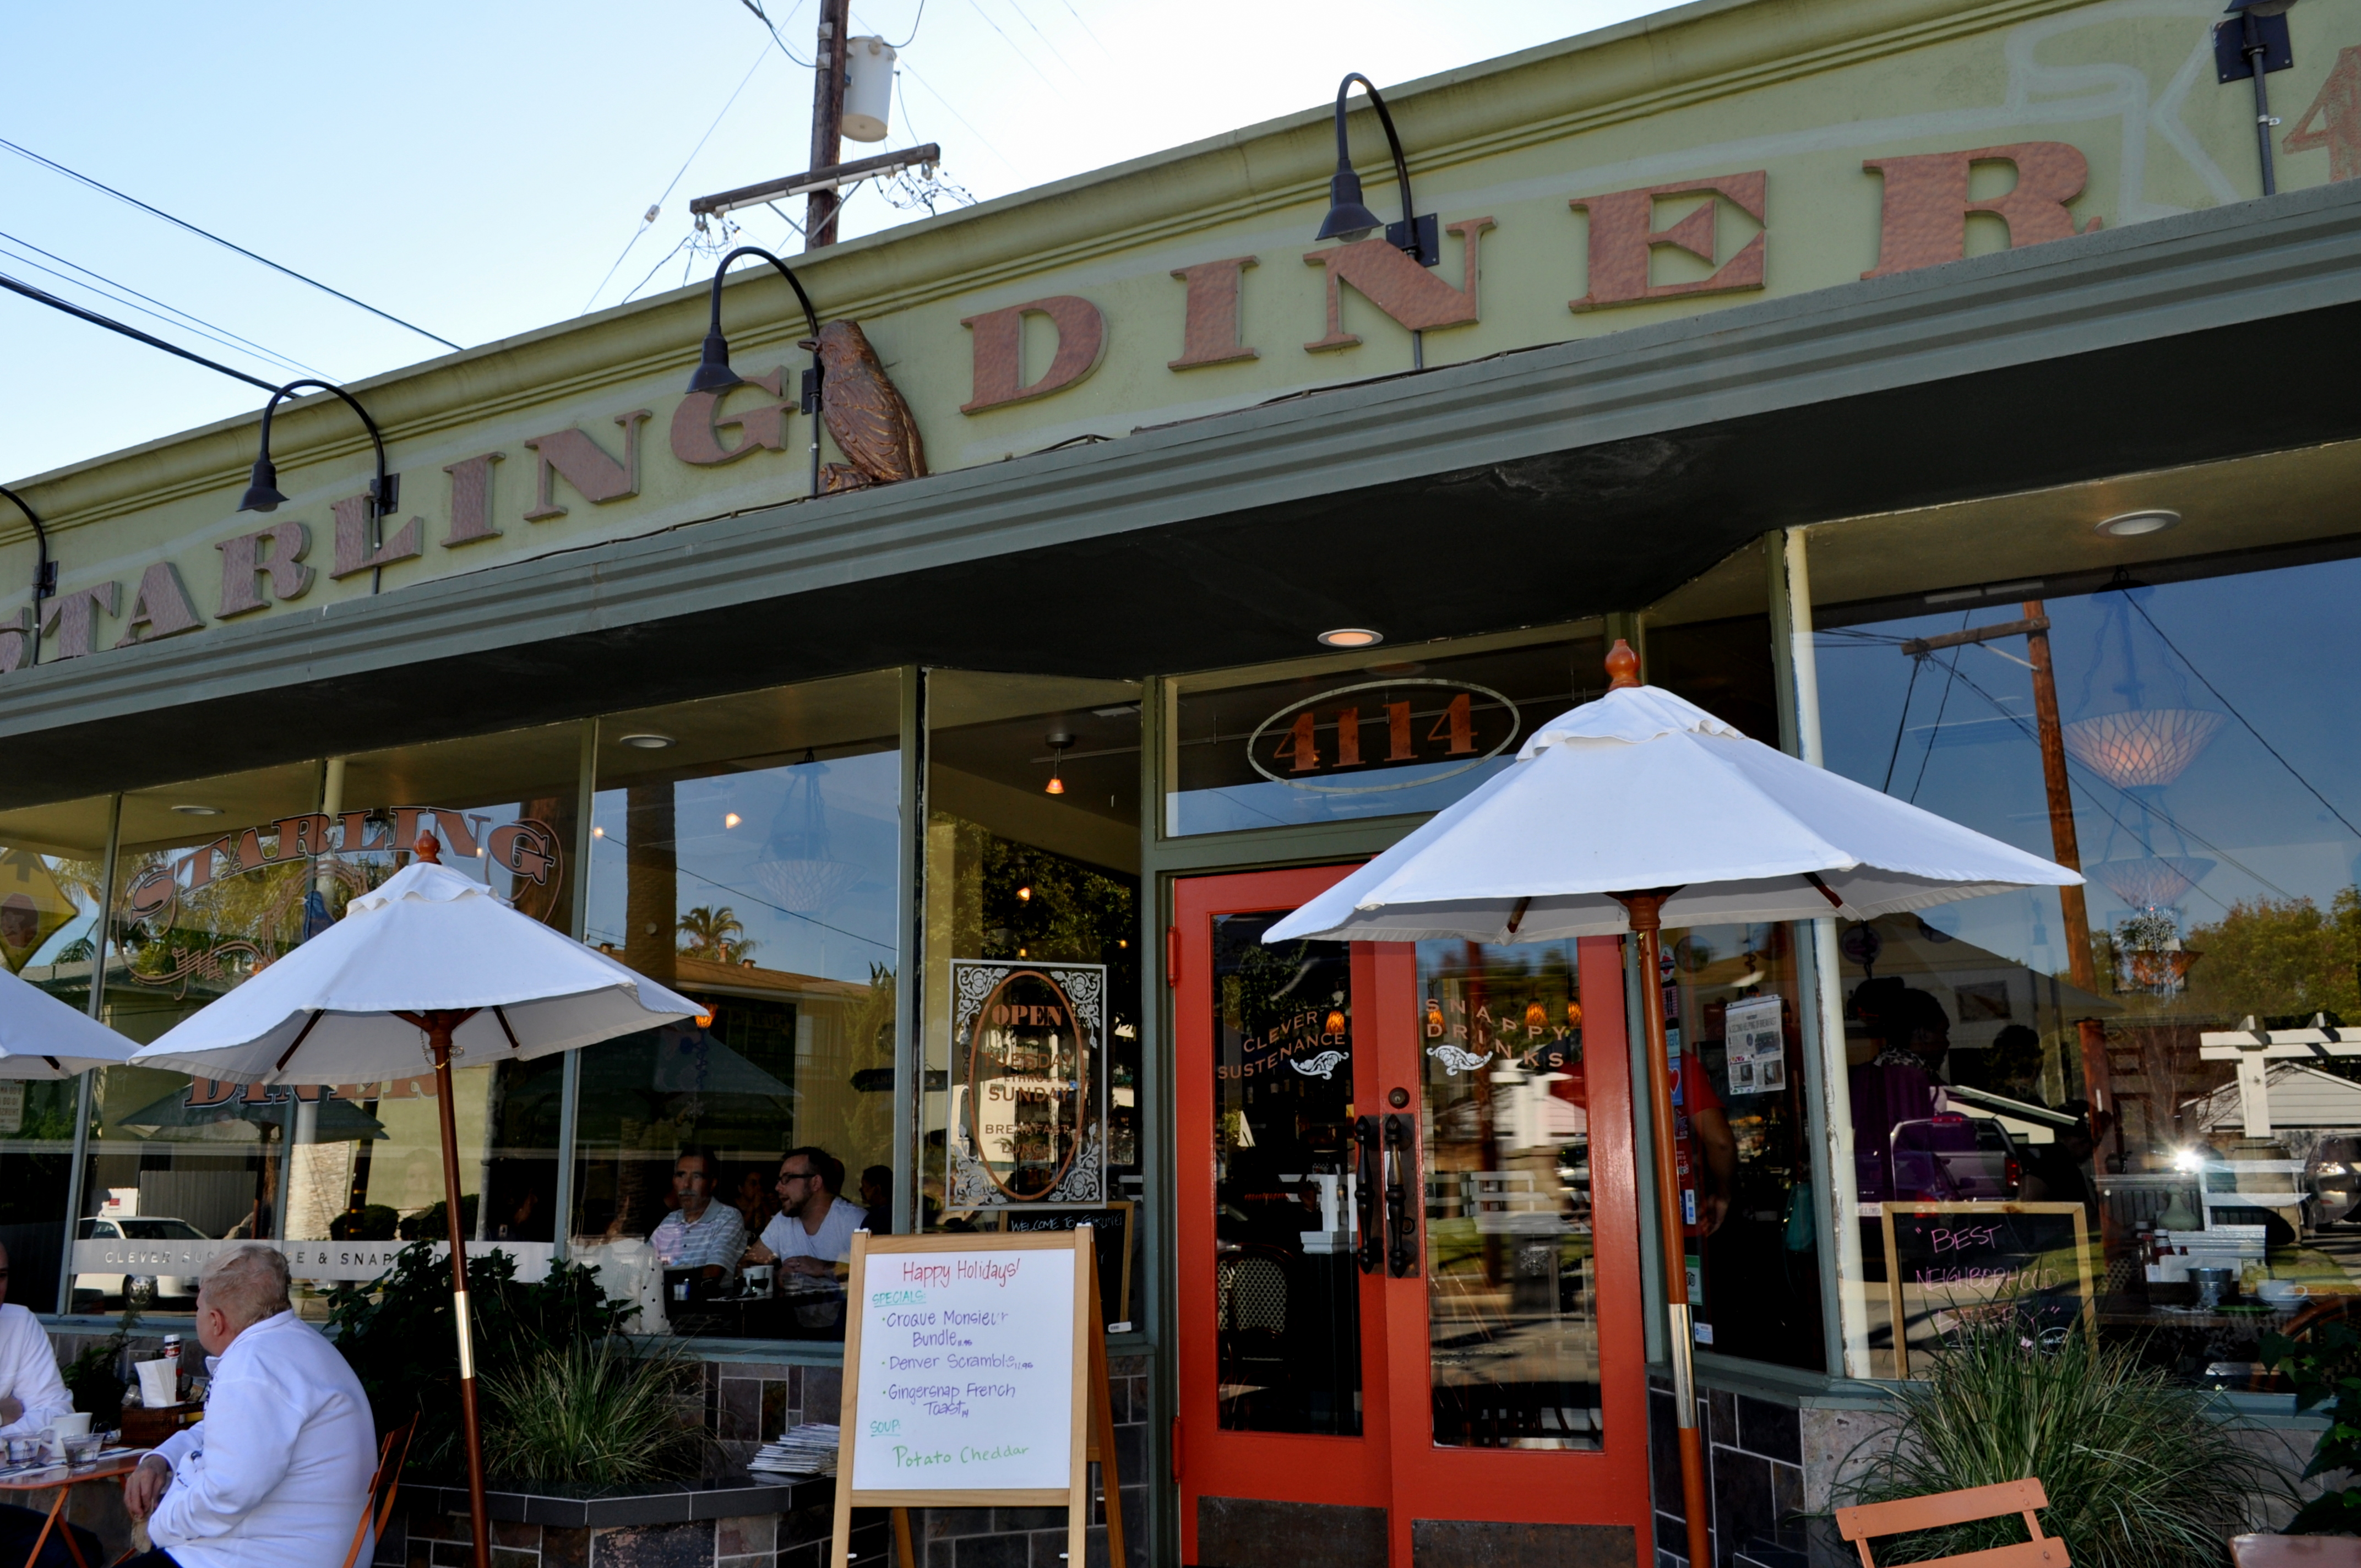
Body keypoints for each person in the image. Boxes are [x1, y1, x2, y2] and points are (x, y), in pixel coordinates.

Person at [121, 1243, 374, 1568]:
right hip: (307, 1548)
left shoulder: (252, 1366)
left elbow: (226, 1494)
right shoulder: (297, 1343)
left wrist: (158, 1526)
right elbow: (221, 1431)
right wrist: (161, 1458)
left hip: (260, 1556)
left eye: (198, 1308)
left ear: (216, 1321)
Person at [0, 1242, 94, 1568]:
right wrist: (4, 1412)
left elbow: (57, 1412)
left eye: (1, 1276)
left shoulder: (18, 1322)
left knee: (79, 1552)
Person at [744, 1147, 865, 1275]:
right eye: (779, 1180)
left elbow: (876, 1273)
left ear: (816, 1183)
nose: (778, 1188)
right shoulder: (782, 1221)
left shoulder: (854, 1220)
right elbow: (745, 1264)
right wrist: (776, 1275)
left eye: (787, 1178)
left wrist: (825, 1267)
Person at [648, 1148, 746, 1284]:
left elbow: (712, 1274)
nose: (687, 1185)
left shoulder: (728, 1218)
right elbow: (643, 1266)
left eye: (697, 1177)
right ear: (674, 1181)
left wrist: (660, 1277)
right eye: (681, 1175)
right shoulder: (670, 1221)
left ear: (712, 1184)